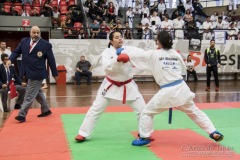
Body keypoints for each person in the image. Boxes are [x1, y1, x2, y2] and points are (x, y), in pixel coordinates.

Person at [118, 31, 223, 146]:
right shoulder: (176, 54)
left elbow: (139, 54)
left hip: (168, 91)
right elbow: (183, 71)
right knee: (194, 112)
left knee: (147, 113)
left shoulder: (154, 54)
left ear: (159, 42)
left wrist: (123, 51)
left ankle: (145, 137)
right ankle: (213, 131)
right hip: (182, 88)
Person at [75, 31, 147, 142]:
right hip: (110, 84)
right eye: (117, 37)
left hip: (128, 85)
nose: (120, 39)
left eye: (121, 37)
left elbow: (143, 54)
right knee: (96, 109)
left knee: (142, 109)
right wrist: (117, 60)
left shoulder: (129, 49)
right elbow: (107, 68)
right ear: (111, 41)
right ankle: (83, 133)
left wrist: (155, 54)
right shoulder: (106, 53)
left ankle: (144, 134)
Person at [6, 26, 58, 123]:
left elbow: (51, 60)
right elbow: (17, 51)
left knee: (29, 94)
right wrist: (10, 59)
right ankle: (46, 109)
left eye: (38, 33)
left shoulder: (46, 45)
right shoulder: (24, 41)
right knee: (37, 92)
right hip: (26, 71)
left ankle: (22, 114)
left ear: (40, 34)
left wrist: (55, 73)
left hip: (37, 73)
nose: (36, 34)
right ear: (30, 33)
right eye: (34, 32)